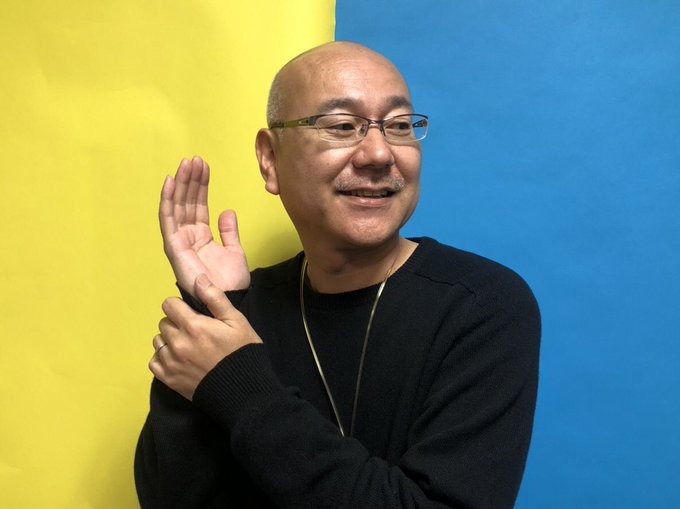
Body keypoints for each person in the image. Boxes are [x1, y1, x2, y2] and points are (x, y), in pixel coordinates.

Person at [135, 41, 541, 509]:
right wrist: (210, 307)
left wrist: (240, 385)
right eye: (343, 126)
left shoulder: (482, 305)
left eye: (399, 125)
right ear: (270, 159)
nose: (379, 153)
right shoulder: (244, 308)